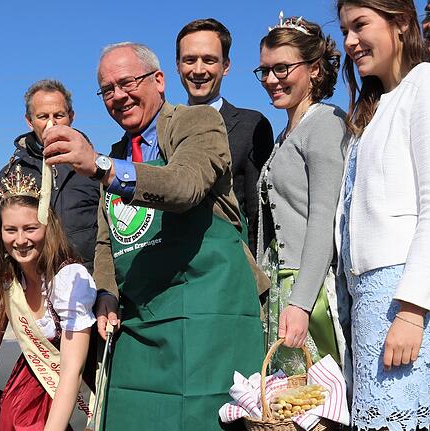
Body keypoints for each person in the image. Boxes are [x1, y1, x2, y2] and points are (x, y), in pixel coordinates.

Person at [41, 42, 266, 431]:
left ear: (159, 81)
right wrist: (107, 293)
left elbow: (184, 185)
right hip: (141, 321)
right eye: (107, 89)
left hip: (208, 316)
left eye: (127, 82)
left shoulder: (195, 123)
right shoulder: (116, 152)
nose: (118, 96)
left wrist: (101, 167)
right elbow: (105, 241)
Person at [337, 0, 430, 429]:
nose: (349, 42)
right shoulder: (377, 105)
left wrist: (412, 310)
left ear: (400, 23)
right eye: (345, 30)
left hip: (402, 292)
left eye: (360, 25)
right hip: (366, 292)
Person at [0, 166, 97, 431]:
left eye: (30, 228)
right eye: (10, 230)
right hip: (26, 383)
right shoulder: (3, 278)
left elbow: (71, 370)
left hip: (68, 390)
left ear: (47, 227)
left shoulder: (67, 279)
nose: (20, 240)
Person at [254, 15, 349, 374]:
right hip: (280, 281)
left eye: (281, 68)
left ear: (314, 70)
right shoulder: (286, 133)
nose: (270, 80)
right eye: (264, 70)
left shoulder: (326, 123)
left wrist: (303, 302)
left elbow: (324, 218)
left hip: (308, 285)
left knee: (315, 390)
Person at [175, 18, 274, 256]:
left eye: (209, 60)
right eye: (189, 60)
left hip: (230, 267)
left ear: (226, 65)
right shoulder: (166, 126)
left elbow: (258, 213)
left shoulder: (252, 125)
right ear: (177, 65)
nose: (198, 70)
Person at [0, 80, 99, 271]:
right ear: (29, 120)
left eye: (58, 115)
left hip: (86, 280)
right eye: (43, 116)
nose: (51, 123)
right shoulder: (11, 174)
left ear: (71, 117)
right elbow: (0, 236)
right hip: (32, 284)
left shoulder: (94, 168)